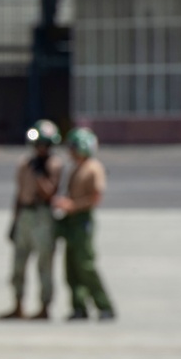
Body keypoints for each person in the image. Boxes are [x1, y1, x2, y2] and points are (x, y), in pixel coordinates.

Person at [0, 119, 64, 320]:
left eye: (45, 145)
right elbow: (19, 194)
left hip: (42, 215)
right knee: (18, 263)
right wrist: (14, 221)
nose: (41, 149)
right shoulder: (24, 163)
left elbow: (49, 194)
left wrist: (39, 174)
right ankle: (18, 305)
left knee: (44, 263)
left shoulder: (54, 165)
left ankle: (45, 306)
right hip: (25, 215)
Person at [52, 127, 116, 321]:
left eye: (73, 147)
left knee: (86, 266)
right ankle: (79, 307)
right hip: (70, 220)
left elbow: (95, 197)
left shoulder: (93, 168)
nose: (70, 151)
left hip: (82, 220)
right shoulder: (75, 168)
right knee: (71, 268)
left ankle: (104, 306)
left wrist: (73, 205)